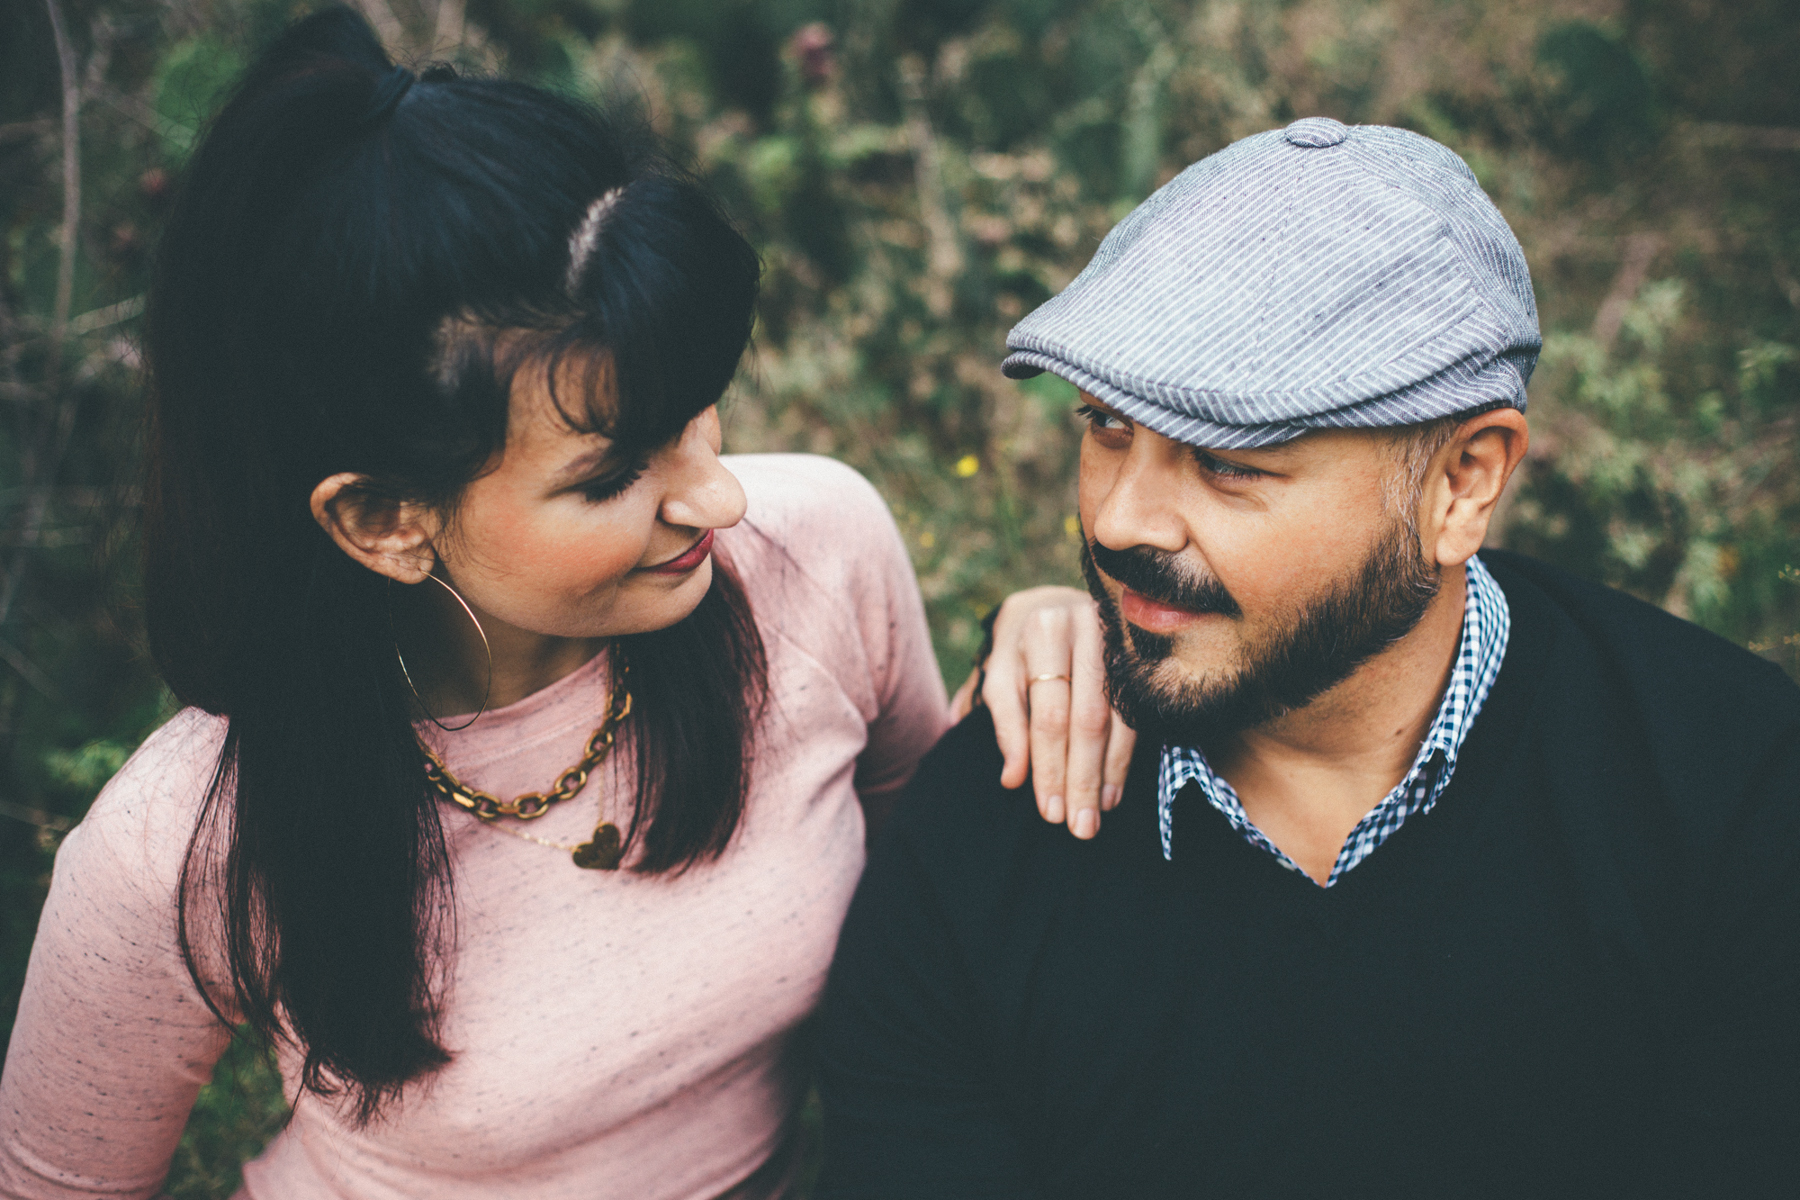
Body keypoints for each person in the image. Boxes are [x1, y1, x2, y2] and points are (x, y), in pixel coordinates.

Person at [0, 9, 1121, 1197]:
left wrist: (1043, 655)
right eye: (612, 474)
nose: (722, 499)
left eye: (696, 409)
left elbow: (939, 924)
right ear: (385, 521)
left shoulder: (819, 549)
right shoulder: (185, 844)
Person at [818, 117, 1800, 1198]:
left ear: (1462, 483)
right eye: (1105, 427)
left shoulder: (1733, 800)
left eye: (1230, 461)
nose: (1120, 519)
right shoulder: (990, 821)